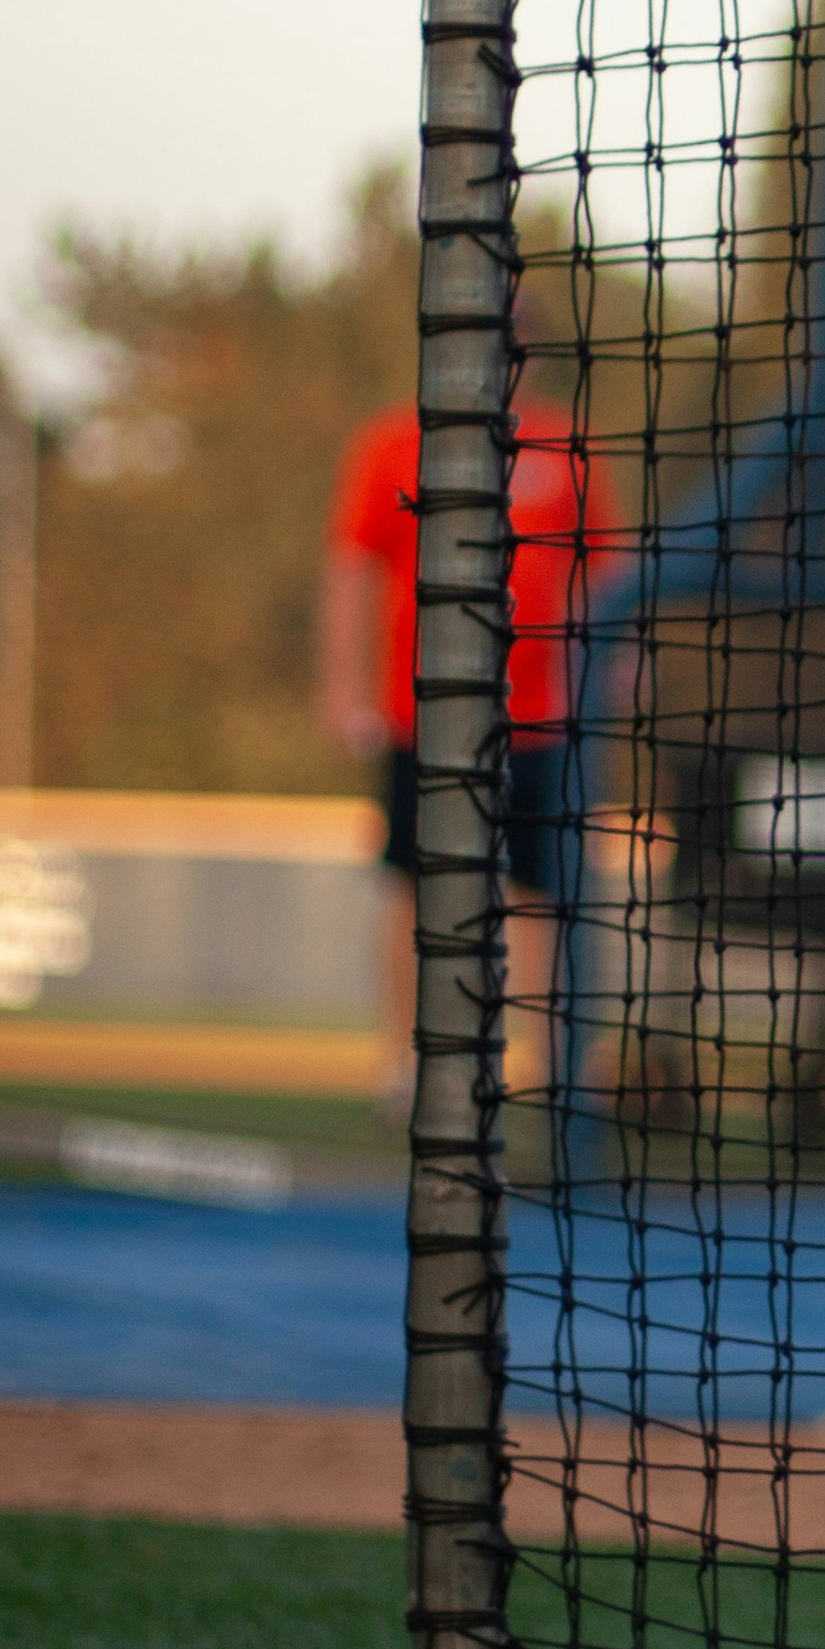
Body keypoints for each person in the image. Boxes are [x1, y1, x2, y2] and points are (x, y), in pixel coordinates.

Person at [320, 317, 623, 1112]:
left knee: (547, 893)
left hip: (543, 725)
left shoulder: (566, 447)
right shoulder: (394, 443)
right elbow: (352, 567)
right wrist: (342, 687)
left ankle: (555, 1067)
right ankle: (401, 1064)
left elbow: (608, 578)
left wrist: (617, 677)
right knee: (412, 890)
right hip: (423, 719)